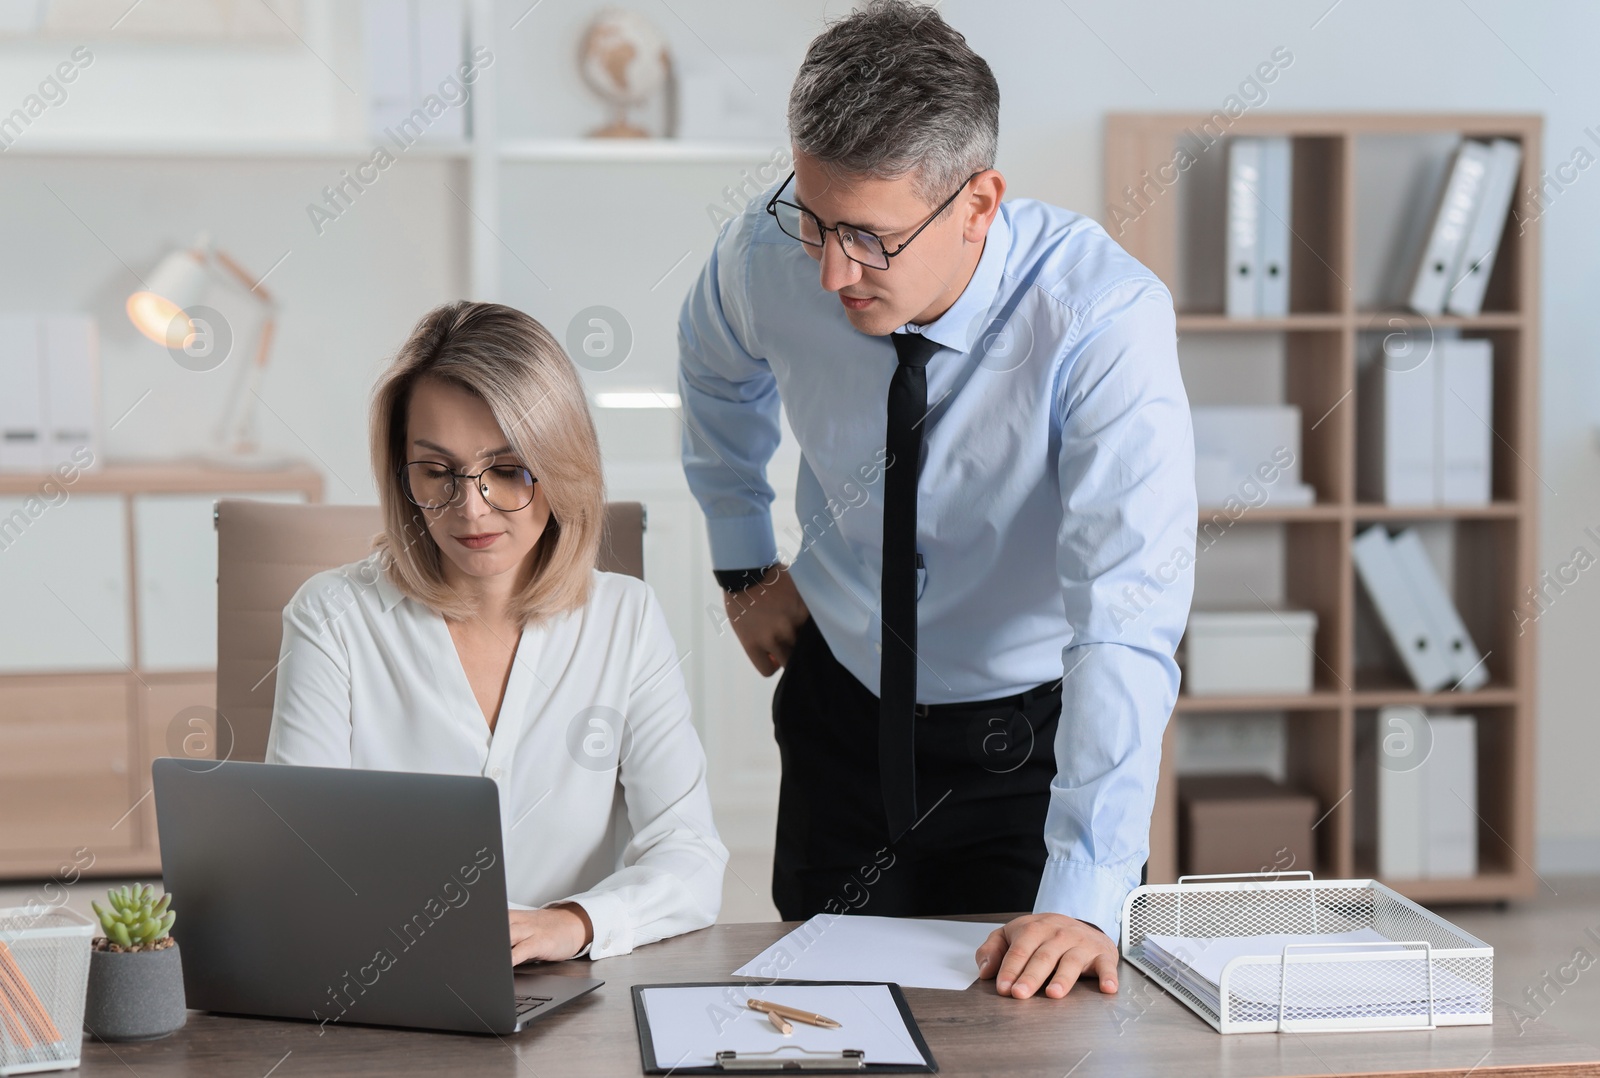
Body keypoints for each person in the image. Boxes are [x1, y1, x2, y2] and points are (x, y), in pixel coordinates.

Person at [677, 1, 1194, 1002]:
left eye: (867, 238)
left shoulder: (1100, 321)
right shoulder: (763, 253)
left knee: (1029, 1034)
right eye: (813, 219)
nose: (830, 271)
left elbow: (1124, 616)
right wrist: (743, 557)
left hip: (1024, 746)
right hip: (841, 706)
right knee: (818, 1028)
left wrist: (1086, 887)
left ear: (978, 202)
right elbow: (713, 373)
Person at [267, 300, 726, 963]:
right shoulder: (333, 619)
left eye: (507, 469)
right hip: (379, 985)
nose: (470, 509)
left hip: (570, 999)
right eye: (438, 472)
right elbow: (295, 860)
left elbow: (690, 855)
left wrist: (575, 922)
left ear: (561, 466)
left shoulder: (625, 619)